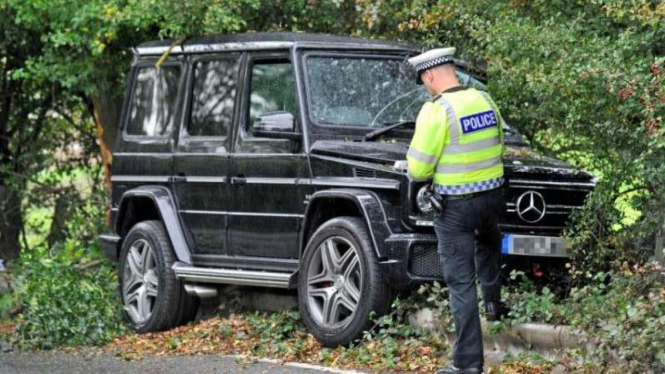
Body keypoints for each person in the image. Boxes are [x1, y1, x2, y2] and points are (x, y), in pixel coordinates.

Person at [406, 48, 508, 374]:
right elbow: (500, 145)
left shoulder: (436, 110)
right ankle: (493, 301)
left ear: (430, 76)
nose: (426, 87)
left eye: (424, 81)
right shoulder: (484, 100)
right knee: (489, 240)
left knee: (461, 283)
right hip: (493, 197)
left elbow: (418, 168)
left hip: (456, 207)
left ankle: (466, 366)